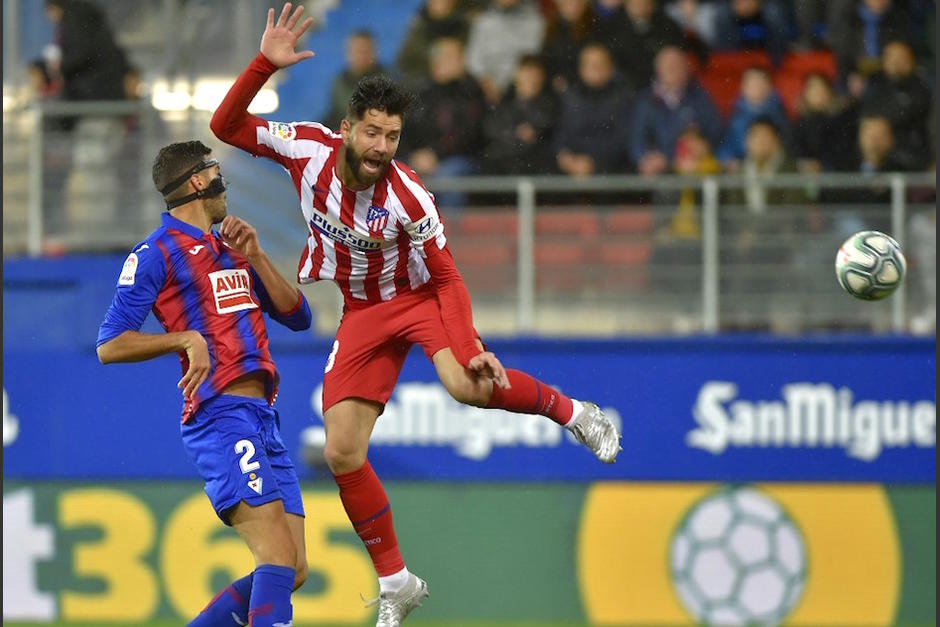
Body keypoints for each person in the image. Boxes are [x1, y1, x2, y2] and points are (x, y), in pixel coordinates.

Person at [210, 4, 621, 626]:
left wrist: (470, 345)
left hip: (418, 300)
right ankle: (397, 581)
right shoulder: (306, 149)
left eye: (393, 136)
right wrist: (264, 65)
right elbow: (225, 124)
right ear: (347, 128)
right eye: (372, 133)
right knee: (342, 450)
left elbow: (448, 277)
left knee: (465, 385)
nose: (382, 148)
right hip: (361, 311)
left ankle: (575, 413)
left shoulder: (409, 196)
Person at [96, 140, 312, 627]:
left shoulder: (231, 249)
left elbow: (299, 317)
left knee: (294, 567)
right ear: (198, 180)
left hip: (261, 418)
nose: (223, 181)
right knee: (276, 556)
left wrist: (256, 255)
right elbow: (110, 344)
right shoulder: (156, 253)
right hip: (219, 414)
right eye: (215, 170)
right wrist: (183, 338)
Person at [630, 45, 722, 176]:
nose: (672, 69)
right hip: (657, 174)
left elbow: (714, 131)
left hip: (693, 170)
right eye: (668, 65)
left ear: (686, 68)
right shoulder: (644, 100)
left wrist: (702, 146)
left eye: (676, 65)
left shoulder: (700, 97)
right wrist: (645, 159)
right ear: (658, 69)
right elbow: (637, 138)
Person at [325, 30, 390, 130]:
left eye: (366, 51)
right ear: (348, 53)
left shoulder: (388, 82)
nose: (361, 56)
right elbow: (336, 114)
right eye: (357, 51)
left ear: (374, 53)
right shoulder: (339, 82)